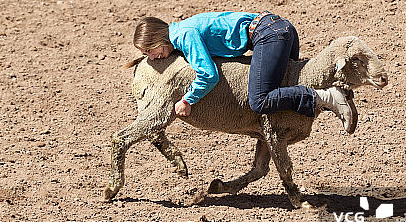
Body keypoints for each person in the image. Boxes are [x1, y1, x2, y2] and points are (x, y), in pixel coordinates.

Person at [130, 11, 354, 132]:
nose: (151, 57)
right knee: (285, 92)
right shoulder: (182, 29)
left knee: (259, 101)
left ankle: (327, 96)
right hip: (278, 27)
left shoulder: (183, 36)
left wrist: (187, 99)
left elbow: (208, 74)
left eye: (150, 50)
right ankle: (331, 95)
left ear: (158, 38)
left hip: (267, 35)